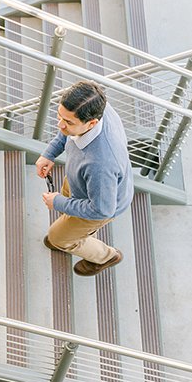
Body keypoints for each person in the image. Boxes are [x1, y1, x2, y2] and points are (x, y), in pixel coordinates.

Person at [35, 80, 134, 276]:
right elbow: (69, 133)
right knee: (66, 215)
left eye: (68, 122)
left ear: (92, 123)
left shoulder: (101, 164)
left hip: (101, 202)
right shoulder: (95, 107)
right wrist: (50, 153)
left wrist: (58, 202)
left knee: (57, 237)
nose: (60, 125)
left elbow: (102, 210)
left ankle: (106, 257)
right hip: (81, 182)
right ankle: (73, 234)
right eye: (59, 116)